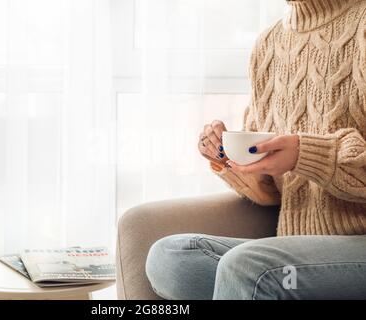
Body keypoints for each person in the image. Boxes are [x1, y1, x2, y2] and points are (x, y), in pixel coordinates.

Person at [145, 0, 366, 300]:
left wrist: (307, 155)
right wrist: (229, 159)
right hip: (293, 254)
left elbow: (302, 156)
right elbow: (271, 191)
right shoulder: (269, 43)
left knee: (247, 268)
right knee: (171, 258)